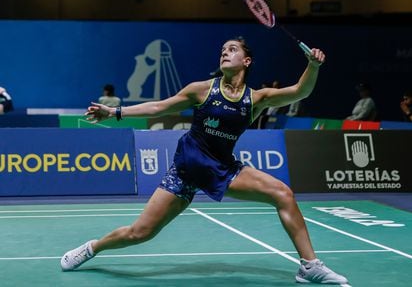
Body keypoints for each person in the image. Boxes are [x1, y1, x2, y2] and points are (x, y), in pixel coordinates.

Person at [61, 37, 348, 284]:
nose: (225, 52)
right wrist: (114, 113)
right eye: (223, 49)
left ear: (246, 61)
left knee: (283, 194)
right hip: (187, 170)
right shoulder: (202, 89)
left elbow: (300, 91)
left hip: (223, 169)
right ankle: (92, 248)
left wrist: (313, 65)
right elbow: (160, 106)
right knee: (140, 233)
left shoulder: (256, 99)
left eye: (232, 49)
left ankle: (309, 266)